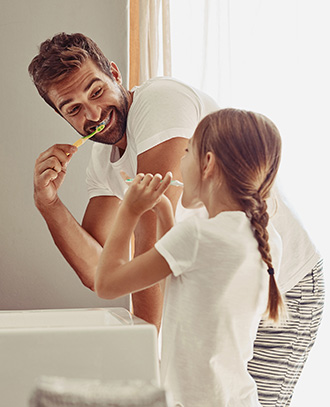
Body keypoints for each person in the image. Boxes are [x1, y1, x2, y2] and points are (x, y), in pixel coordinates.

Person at [29, 33, 324, 406]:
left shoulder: (158, 102)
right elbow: (98, 269)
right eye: (72, 108)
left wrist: (145, 362)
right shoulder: (103, 163)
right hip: (220, 294)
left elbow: (144, 241)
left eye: (95, 90)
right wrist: (48, 204)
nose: (92, 114)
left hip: (283, 285)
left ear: (115, 74)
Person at [95, 108, 285, 406]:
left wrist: (129, 211)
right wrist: (165, 212)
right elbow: (189, 288)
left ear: (207, 163)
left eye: (187, 152)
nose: (181, 162)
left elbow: (106, 284)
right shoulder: (266, 237)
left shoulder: (197, 235)